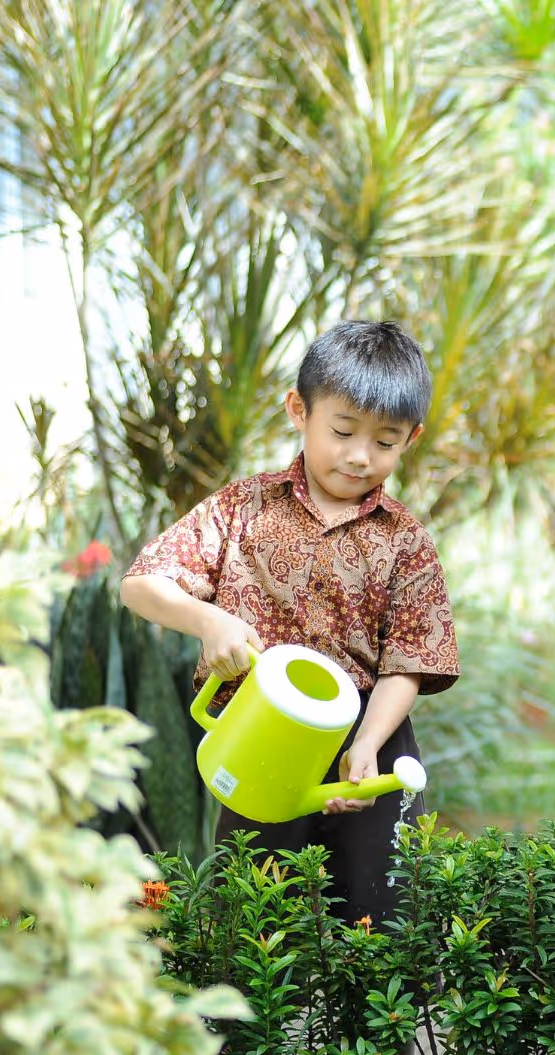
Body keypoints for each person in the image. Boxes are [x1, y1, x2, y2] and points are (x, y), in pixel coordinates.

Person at [120, 321, 459, 924]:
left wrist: (368, 744)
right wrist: (208, 621)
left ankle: (365, 1019)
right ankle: (250, 1023)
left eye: (385, 441)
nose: (360, 455)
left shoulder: (405, 539)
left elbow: (410, 663)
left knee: (377, 917)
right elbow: (142, 584)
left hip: (365, 735)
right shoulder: (242, 507)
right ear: (298, 410)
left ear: (412, 437)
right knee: (254, 923)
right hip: (261, 734)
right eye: (343, 431)